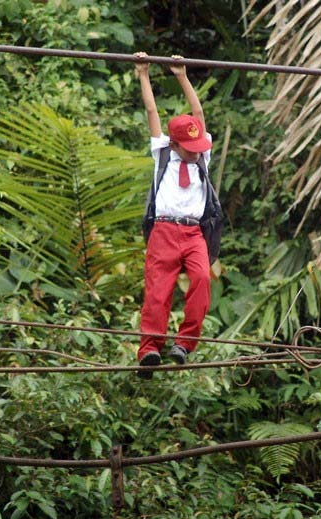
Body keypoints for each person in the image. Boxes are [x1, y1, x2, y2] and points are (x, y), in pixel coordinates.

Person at [133, 52, 223, 380]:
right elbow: (151, 110)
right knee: (158, 290)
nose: (197, 150)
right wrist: (144, 73)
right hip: (164, 231)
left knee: (200, 279)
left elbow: (198, 113)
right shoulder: (162, 155)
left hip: (193, 233)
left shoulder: (202, 157)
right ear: (174, 144)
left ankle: (185, 343)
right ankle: (149, 350)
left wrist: (182, 75)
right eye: (189, 146)